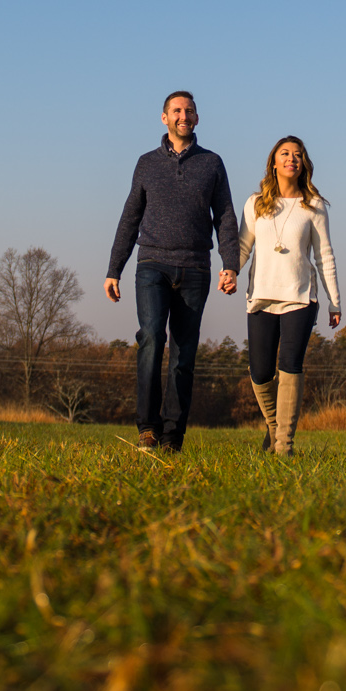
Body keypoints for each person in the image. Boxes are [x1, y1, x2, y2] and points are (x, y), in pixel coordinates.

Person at [104, 91, 241, 452]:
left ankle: (172, 437)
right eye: (176, 110)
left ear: (197, 119)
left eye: (189, 111)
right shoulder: (146, 164)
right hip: (152, 264)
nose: (183, 115)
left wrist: (231, 265)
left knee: (184, 355)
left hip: (196, 268)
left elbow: (225, 217)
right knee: (151, 338)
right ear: (164, 118)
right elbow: (130, 216)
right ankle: (147, 429)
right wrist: (114, 268)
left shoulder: (212, 163)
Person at [238, 135, 340, 455]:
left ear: (303, 164)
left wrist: (335, 301)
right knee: (260, 372)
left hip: (300, 296)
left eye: (298, 155)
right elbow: (243, 246)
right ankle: (274, 426)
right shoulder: (255, 203)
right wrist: (229, 271)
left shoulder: (315, 205)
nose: (291, 159)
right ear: (274, 162)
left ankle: (284, 445)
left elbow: (324, 256)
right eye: (285, 154)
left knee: (290, 366)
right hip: (261, 295)